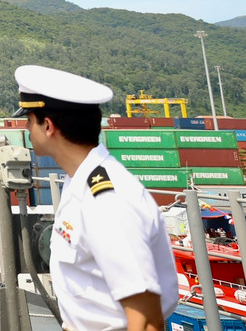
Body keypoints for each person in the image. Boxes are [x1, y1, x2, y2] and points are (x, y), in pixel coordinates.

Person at [15, 65, 177, 331]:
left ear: (47, 126)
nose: (26, 128)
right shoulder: (78, 182)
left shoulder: (105, 200)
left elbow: (146, 319)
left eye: (29, 120)